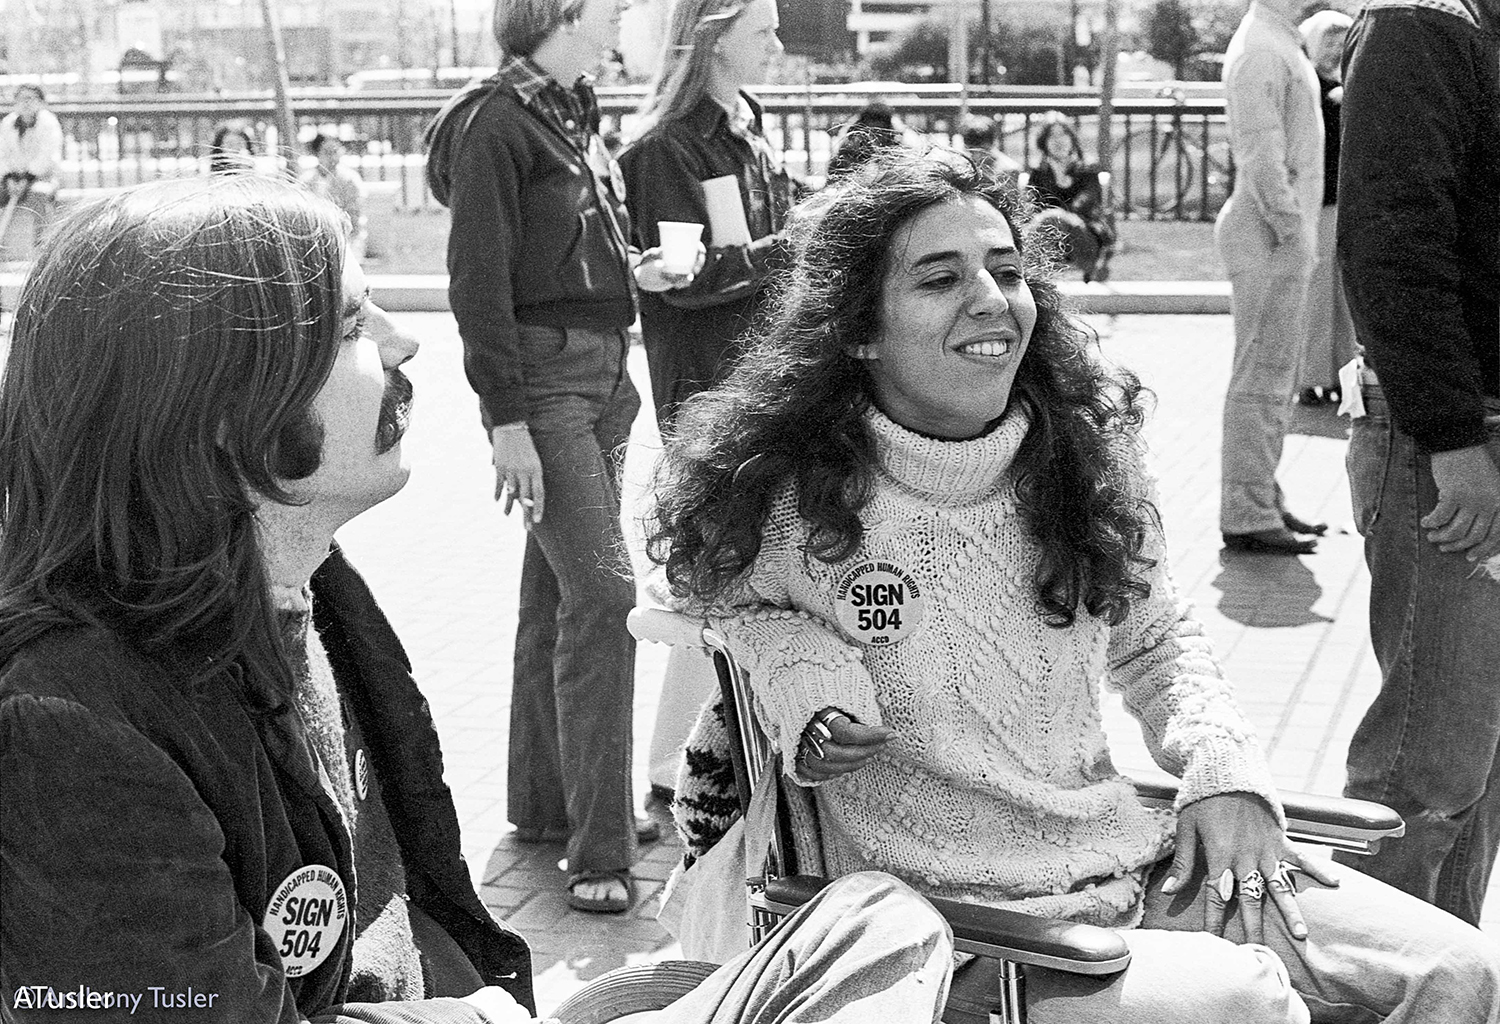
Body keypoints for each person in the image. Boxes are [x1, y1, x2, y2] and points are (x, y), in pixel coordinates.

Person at [0, 174, 961, 1024]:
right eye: (350, 325)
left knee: (876, 920)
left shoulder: (306, 586)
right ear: (215, 411)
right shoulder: (65, 727)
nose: (402, 341)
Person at [647, 157, 1500, 1023]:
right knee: (1239, 1000)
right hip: (944, 932)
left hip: (1123, 862)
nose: (992, 298)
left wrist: (1223, 770)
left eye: (1008, 271)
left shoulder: (1081, 461)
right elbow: (717, 614)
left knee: (1455, 969)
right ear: (858, 328)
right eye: (941, 278)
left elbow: (1157, 638)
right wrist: (807, 673)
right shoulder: (787, 497)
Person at [432, 0, 649, 915]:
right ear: (562, 12)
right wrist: (505, 420)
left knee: (554, 593)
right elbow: (477, 279)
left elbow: (570, 251)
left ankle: (547, 806)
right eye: (613, 9)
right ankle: (601, 846)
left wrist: (639, 269)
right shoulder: (496, 123)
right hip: (548, 384)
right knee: (605, 596)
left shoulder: (574, 108)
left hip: (605, 375)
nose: (623, 22)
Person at [1335, 0, 1500, 928]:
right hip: (1453, 439)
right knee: (1425, 771)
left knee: (1473, 769)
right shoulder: (1420, 24)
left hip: (1469, 433)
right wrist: (1454, 442)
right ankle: (1377, 989)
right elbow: (1393, 244)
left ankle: (1450, 980)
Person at [618, 0, 793, 430]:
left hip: (764, 377)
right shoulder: (664, 149)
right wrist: (794, 246)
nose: (778, 46)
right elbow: (685, 280)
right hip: (709, 393)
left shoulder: (749, 131)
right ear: (714, 39)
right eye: (761, 33)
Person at [1215, 0, 1327, 556]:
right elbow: (1261, 154)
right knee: (1262, 374)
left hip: (1274, 231)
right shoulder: (1263, 47)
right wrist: (1292, 229)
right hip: (1269, 232)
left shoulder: (1276, 40)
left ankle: (1261, 497)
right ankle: (1247, 512)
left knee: (1274, 372)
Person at [1294, 9, 1355, 408]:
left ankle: (1339, 374)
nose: (1334, 47)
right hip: (1318, 204)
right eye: (1328, 39)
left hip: (1342, 201)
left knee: (1343, 299)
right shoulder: (1308, 84)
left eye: (1341, 39)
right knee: (1316, 297)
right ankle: (1309, 377)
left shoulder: (1342, 84)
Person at [1025, 119, 1114, 282]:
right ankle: (1035, 279)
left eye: (1063, 134)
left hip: (1084, 235)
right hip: (1049, 237)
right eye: (1052, 136)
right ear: (1044, 143)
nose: (1058, 140)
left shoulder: (1088, 170)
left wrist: (1059, 216)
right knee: (1047, 222)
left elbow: (1084, 204)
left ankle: (1030, 273)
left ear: (1072, 139)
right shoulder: (1039, 174)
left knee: (1052, 218)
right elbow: (1032, 207)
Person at [0, 84, 63, 252]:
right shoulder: (8, 123)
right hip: (12, 179)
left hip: (42, 177)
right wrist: (9, 178)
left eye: (30, 99)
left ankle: (42, 248)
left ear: (41, 102)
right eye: (21, 99)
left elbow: (48, 156)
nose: (25, 103)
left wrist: (28, 177)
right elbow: (2, 154)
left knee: (39, 194)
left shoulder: (48, 123)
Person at [302, 132, 368, 260]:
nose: (332, 157)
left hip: (345, 240)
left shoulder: (349, 180)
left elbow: (354, 218)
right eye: (327, 152)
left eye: (336, 151)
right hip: (313, 240)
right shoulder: (306, 181)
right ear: (317, 154)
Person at [825, 100, 917, 181]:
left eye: (880, 132)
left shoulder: (900, 143)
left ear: (888, 131)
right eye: (871, 132)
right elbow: (835, 177)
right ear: (863, 130)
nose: (875, 138)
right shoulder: (851, 144)